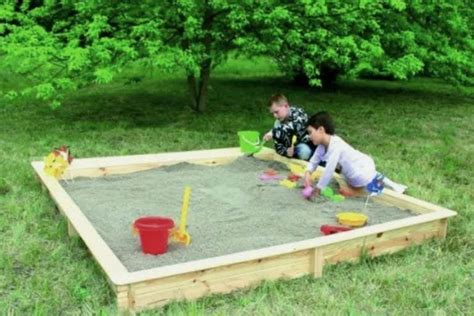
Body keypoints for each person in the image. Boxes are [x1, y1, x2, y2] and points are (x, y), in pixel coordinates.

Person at [303, 111, 407, 195]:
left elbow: (329, 170)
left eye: (310, 132)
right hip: (358, 167)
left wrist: (319, 188)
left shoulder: (335, 145)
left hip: (361, 168)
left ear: (321, 130)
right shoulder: (322, 146)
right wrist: (308, 173)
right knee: (371, 176)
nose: (309, 136)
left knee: (366, 179)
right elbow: (314, 161)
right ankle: (394, 186)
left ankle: (358, 191)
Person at [263, 94, 314, 160]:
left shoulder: (298, 113)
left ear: (286, 106)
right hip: (295, 149)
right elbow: (278, 146)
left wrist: (273, 132)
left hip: (310, 144)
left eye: (276, 112)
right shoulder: (277, 124)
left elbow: (294, 127)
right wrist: (286, 152)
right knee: (302, 151)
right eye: (273, 113)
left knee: (304, 151)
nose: (275, 116)